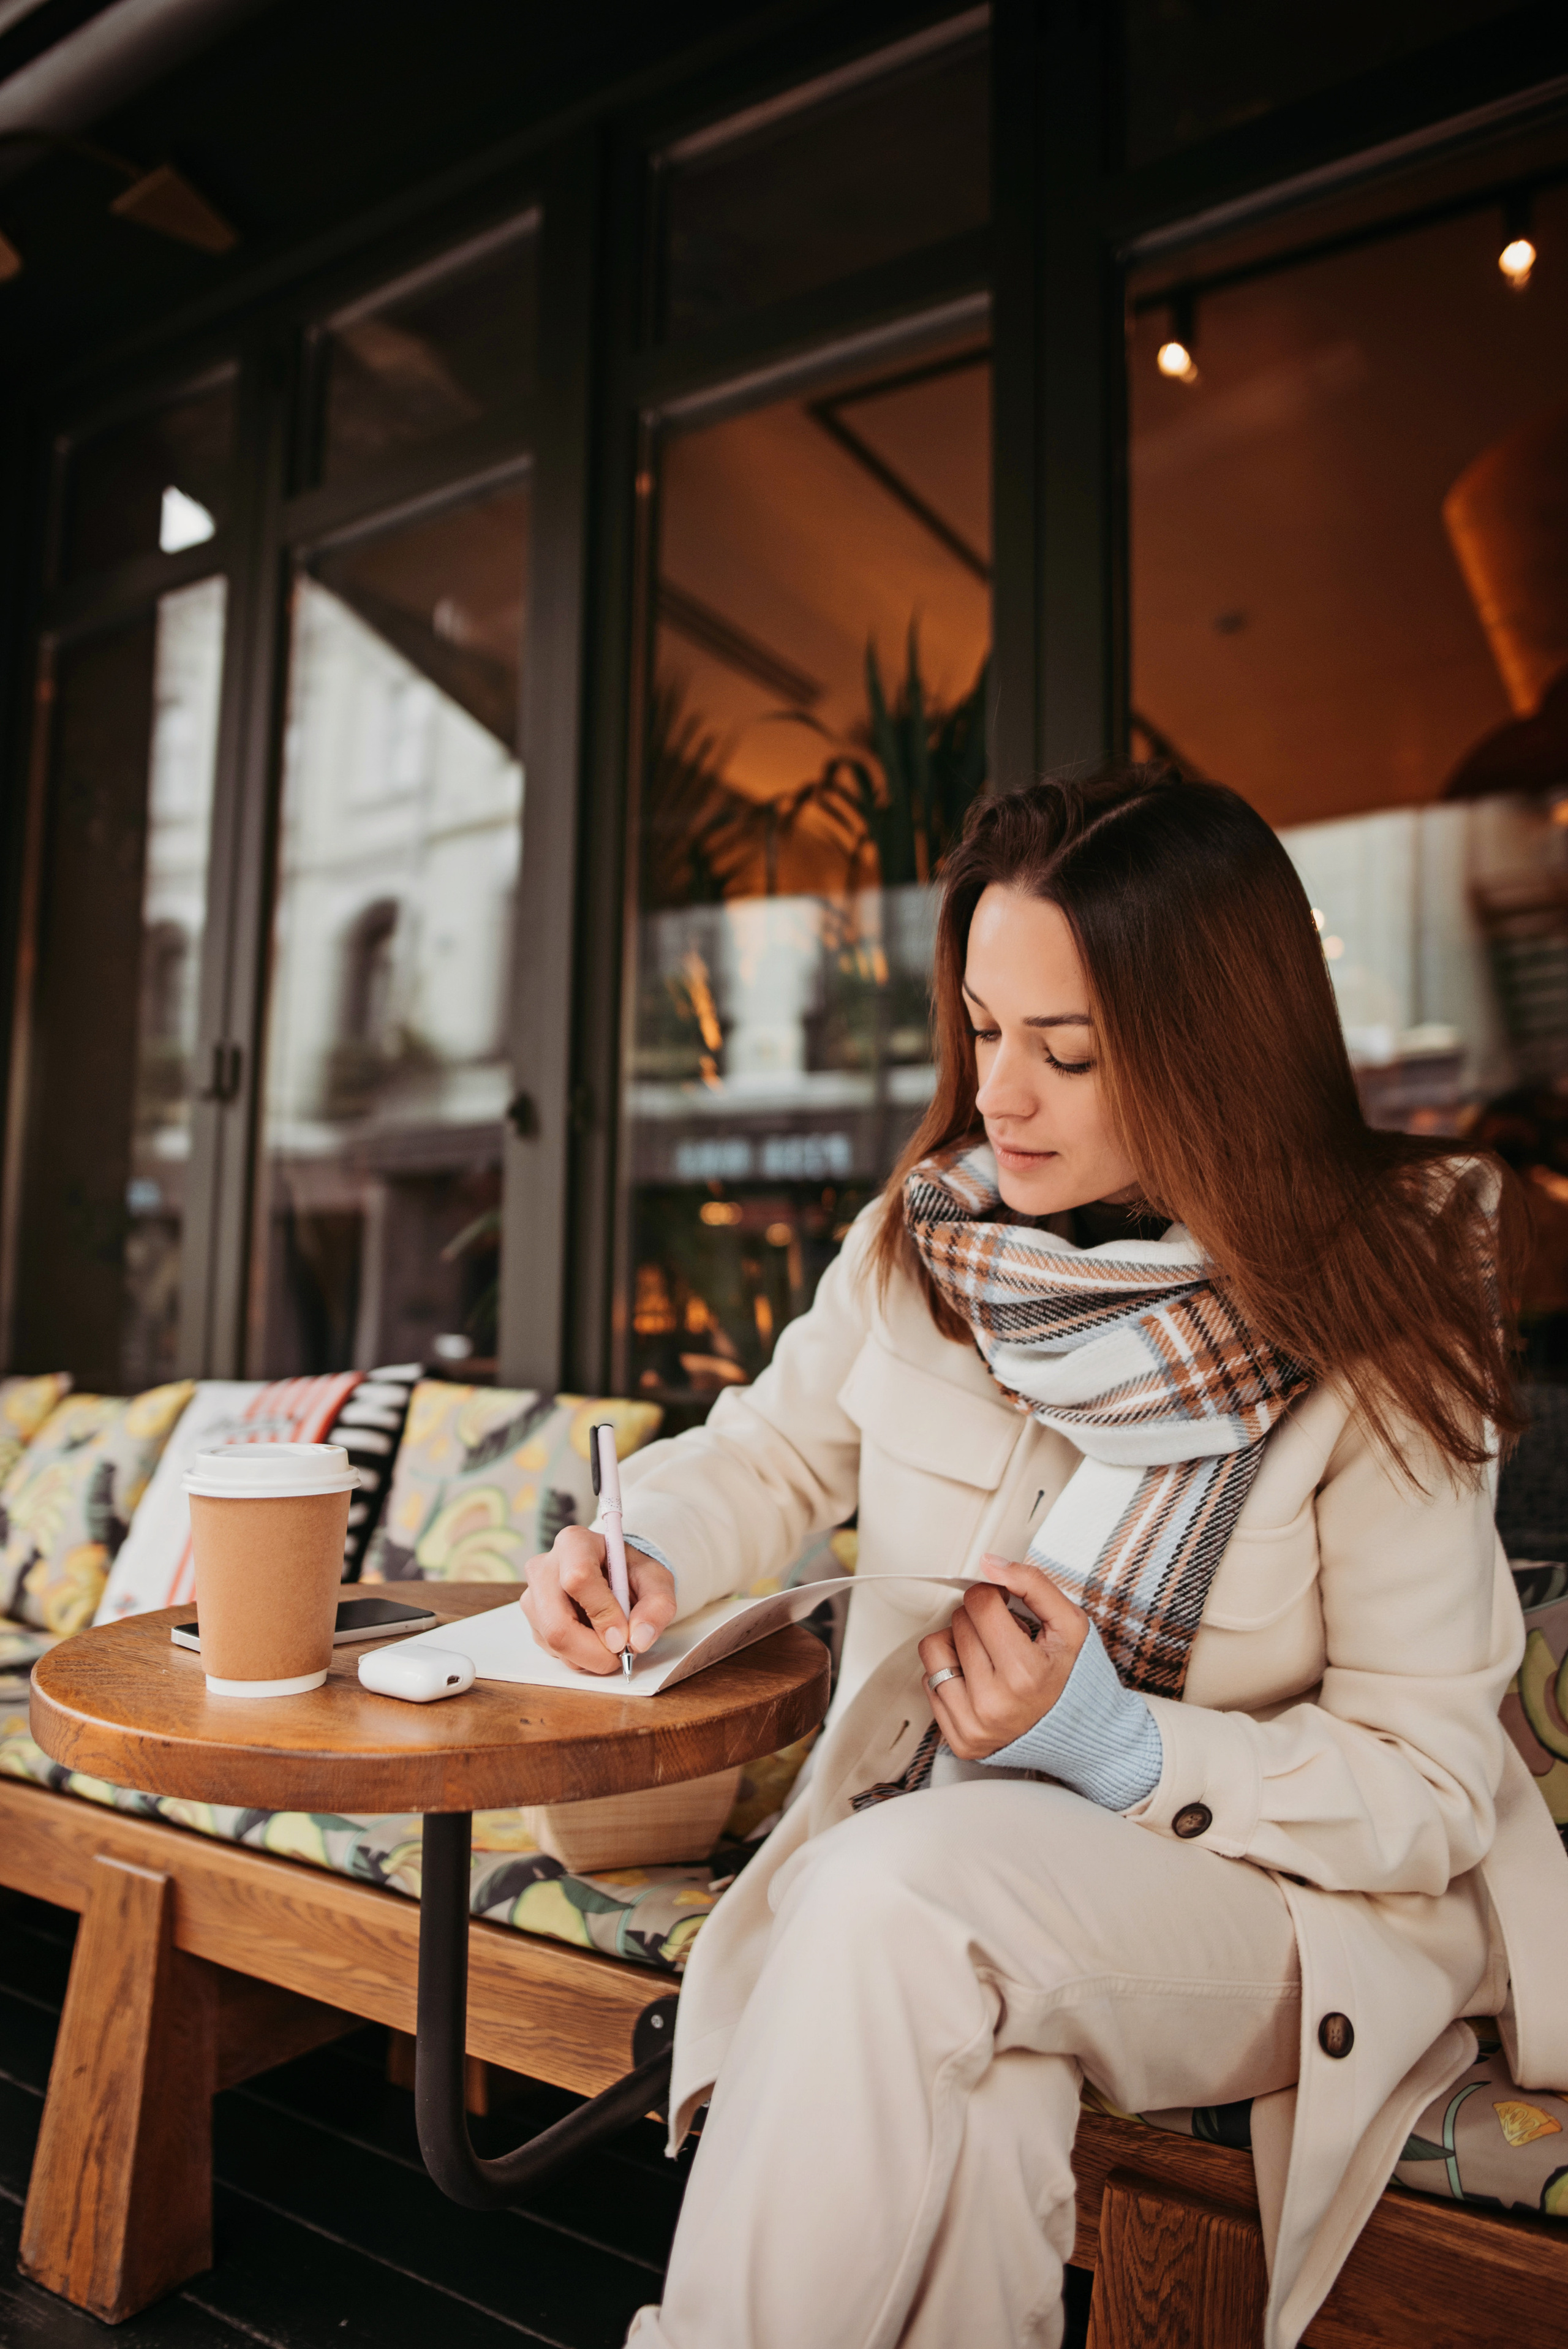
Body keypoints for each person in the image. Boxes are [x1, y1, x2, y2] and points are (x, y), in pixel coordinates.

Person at [522, 768, 1568, 2349]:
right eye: (984, 1028)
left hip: (1279, 1905)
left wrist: (1122, 1744)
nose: (1000, 1093)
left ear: (1215, 1060)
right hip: (968, 1872)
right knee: (974, 2072)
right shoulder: (928, 1243)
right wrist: (644, 1539)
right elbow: (767, 1453)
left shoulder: (1379, 1314)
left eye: (1066, 1052)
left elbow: (1426, 1789)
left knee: (886, 1901)